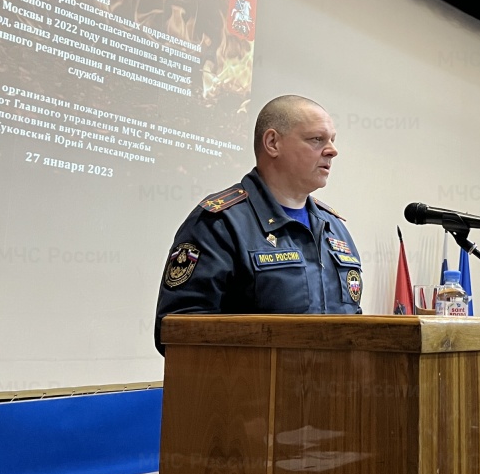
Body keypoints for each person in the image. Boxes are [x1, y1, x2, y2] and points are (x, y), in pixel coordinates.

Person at [154, 95, 363, 355]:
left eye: (332, 140)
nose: (332, 150)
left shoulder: (334, 227)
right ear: (273, 143)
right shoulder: (219, 223)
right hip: (251, 393)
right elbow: (179, 332)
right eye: (316, 140)